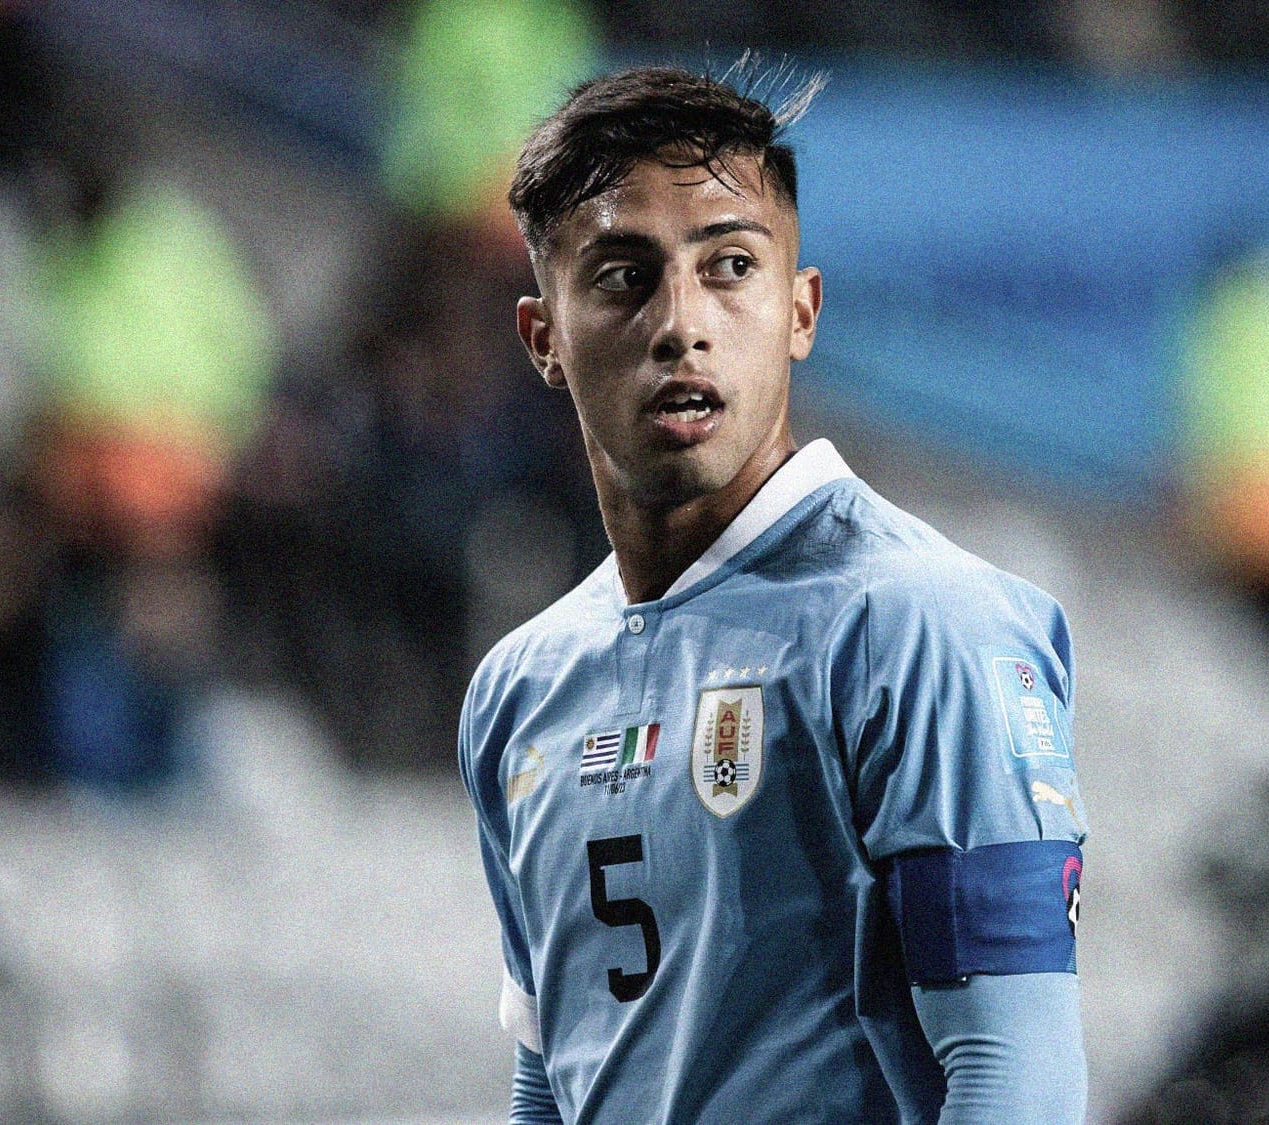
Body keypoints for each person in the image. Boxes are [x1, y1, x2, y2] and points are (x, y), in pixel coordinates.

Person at [456, 65, 1090, 1124]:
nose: (681, 325)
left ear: (798, 312)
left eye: (729, 267)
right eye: (621, 275)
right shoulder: (519, 691)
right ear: (543, 341)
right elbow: (549, 1081)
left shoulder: (920, 626)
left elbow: (1014, 1072)